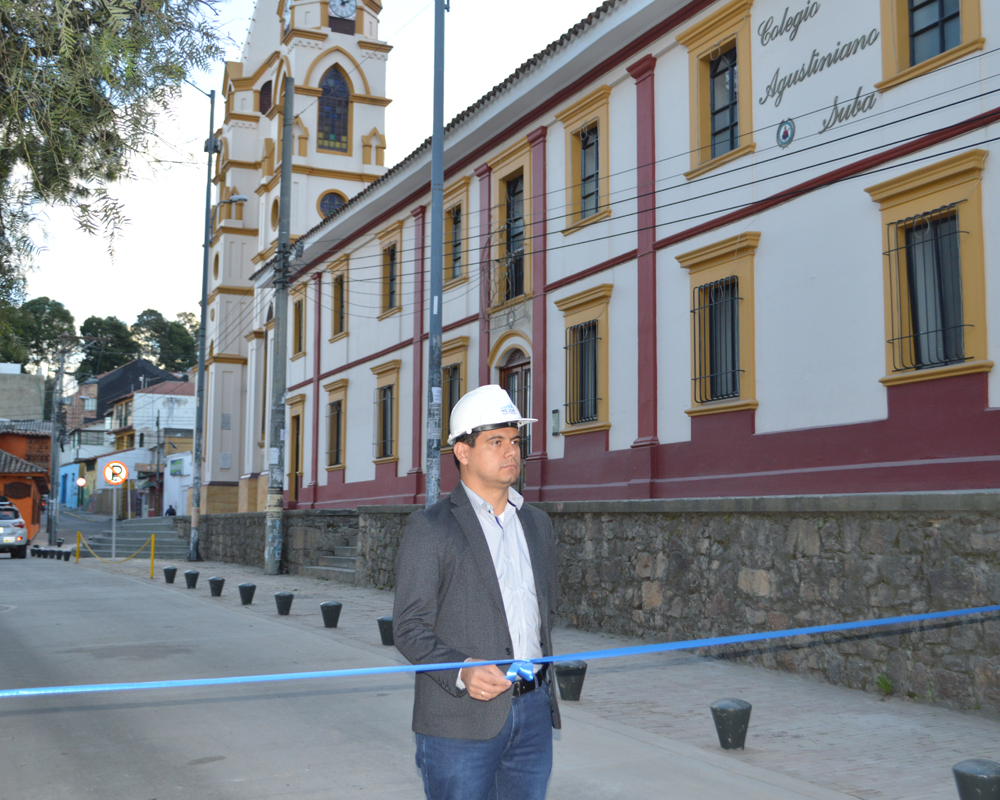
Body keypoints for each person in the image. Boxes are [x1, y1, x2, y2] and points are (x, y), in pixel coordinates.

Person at [394, 385, 560, 800]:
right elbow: (408, 628)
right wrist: (461, 669)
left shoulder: (537, 525)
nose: (511, 452)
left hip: (533, 713)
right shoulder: (430, 529)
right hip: (460, 723)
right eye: (496, 441)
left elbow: (543, 613)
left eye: (516, 441)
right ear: (462, 452)